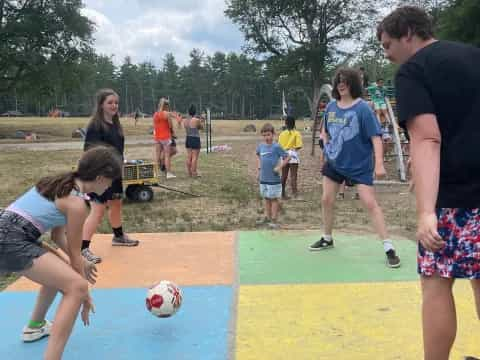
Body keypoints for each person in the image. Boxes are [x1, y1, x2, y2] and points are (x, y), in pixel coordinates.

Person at [377, 6, 480, 359]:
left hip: (456, 198)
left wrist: (425, 212)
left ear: (408, 33)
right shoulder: (473, 55)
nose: (387, 55)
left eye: (388, 45)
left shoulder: (414, 70)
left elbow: (427, 139)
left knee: (436, 283)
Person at [0, 146, 122, 360]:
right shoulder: (78, 205)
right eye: (112, 181)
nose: (112, 186)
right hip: (13, 239)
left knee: (62, 271)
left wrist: (80, 262)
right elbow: (76, 256)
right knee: (76, 286)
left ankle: (35, 325)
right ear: (101, 178)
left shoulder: (60, 183)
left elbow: (58, 237)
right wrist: (85, 296)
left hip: (11, 231)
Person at [308, 68, 401, 269]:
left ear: (353, 84)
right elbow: (325, 129)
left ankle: (389, 248)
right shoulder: (331, 107)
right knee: (326, 199)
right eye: (338, 81)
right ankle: (327, 238)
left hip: (359, 166)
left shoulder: (363, 109)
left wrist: (379, 164)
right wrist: (324, 139)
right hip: (335, 162)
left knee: (369, 203)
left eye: (345, 81)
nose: (341, 85)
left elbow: (376, 137)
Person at [81, 89, 139, 264]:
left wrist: (122, 161)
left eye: (116, 102)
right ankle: (82, 248)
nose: (114, 106)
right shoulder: (95, 127)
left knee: (116, 204)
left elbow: (116, 149)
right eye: (110, 102)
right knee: (98, 211)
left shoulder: (116, 125)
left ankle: (118, 236)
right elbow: (89, 151)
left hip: (114, 174)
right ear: (101, 105)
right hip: (99, 177)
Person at [256, 123, 289, 229]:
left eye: (268, 135)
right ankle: (267, 217)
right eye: (264, 135)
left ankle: (274, 220)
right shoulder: (261, 146)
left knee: (274, 199)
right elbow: (258, 155)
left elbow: (287, 157)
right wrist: (259, 167)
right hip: (263, 178)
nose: (266, 137)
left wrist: (279, 167)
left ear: (273, 134)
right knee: (266, 198)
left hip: (274, 179)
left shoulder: (276, 146)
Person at [278, 115, 303, 199]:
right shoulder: (297, 133)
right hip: (293, 155)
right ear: (294, 123)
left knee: (284, 176)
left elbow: (279, 146)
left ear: (286, 123)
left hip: (284, 154)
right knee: (293, 176)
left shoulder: (282, 134)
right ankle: (295, 194)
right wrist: (294, 149)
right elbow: (299, 146)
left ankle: (282, 193)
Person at [153, 98, 177, 179]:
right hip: (166, 137)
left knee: (157, 156)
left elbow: (155, 126)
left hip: (157, 137)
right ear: (166, 105)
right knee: (167, 155)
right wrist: (173, 133)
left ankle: (155, 173)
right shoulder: (167, 114)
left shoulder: (155, 114)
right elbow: (170, 126)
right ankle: (168, 173)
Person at [184, 104, 203, 177]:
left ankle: (189, 173)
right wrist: (201, 121)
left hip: (188, 138)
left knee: (189, 156)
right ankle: (194, 172)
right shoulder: (196, 120)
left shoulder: (185, 121)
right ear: (195, 112)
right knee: (195, 157)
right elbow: (201, 128)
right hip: (195, 138)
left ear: (189, 112)